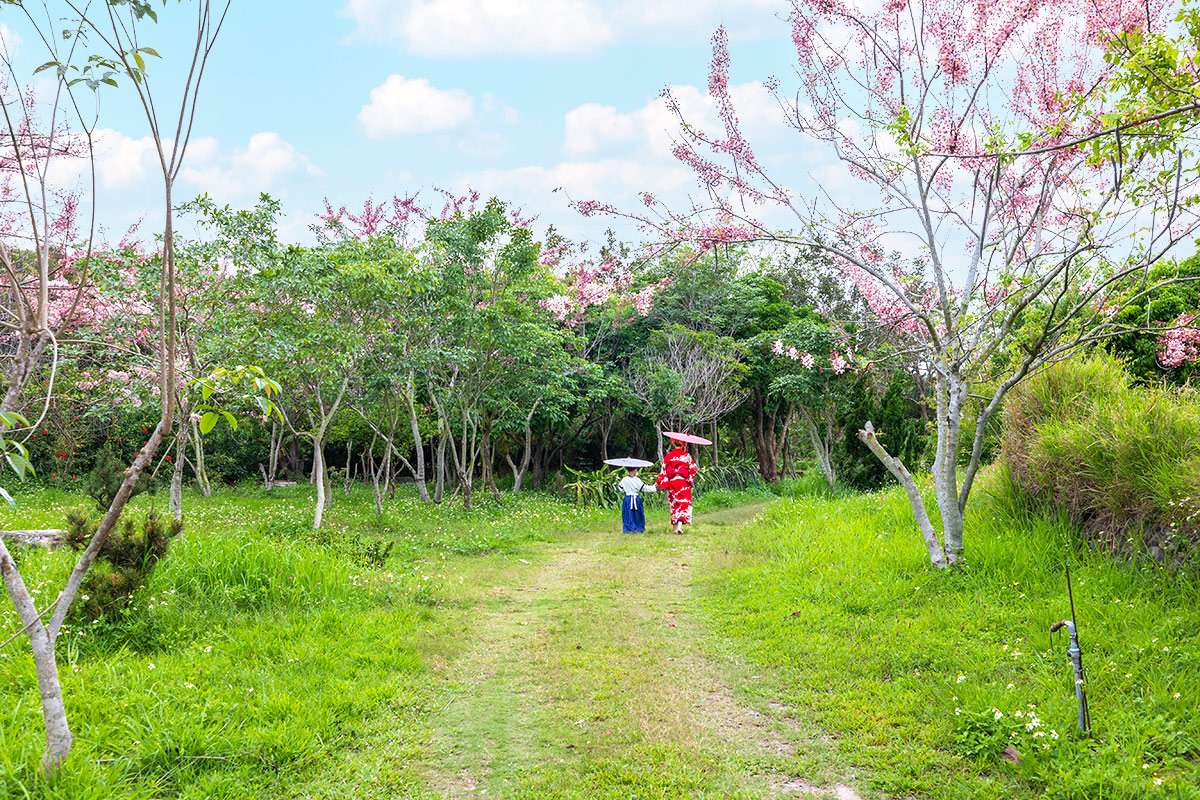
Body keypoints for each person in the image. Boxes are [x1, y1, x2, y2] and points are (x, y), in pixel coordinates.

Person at [657, 437, 698, 535]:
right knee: (684, 504)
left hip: (672, 483)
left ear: (673, 443)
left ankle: (675, 528)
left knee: (674, 505)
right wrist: (688, 480)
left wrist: (662, 482)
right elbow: (693, 469)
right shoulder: (687, 456)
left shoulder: (668, 456)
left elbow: (664, 470)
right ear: (683, 444)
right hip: (682, 484)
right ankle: (679, 527)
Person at [616, 466, 656, 533]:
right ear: (635, 470)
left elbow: (621, 489)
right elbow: (644, 488)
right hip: (636, 498)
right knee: (637, 513)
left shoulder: (624, 480)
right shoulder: (636, 480)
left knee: (627, 513)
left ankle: (628, 528)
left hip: (627, 498)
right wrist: (654, 487)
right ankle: (638, 527)